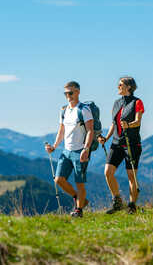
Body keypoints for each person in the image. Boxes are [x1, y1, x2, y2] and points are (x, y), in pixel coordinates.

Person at [45, 81, 94, 218]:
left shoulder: (84, 109)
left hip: (80, 151)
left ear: (78, 92)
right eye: (66, 93)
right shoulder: (63, 110)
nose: (68, 95)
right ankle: (80, 200)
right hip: (66, 151)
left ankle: (79, 210)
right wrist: (54, 146)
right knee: (59, 180)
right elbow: (61, 131)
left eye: (70, 93)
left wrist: (86, 148)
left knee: (80, 183)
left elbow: (90, 130)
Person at [98, 76, 144, 214]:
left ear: (128, 87)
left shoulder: (137, 102)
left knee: (131, 176)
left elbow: (138, 121)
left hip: (131, 143)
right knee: (108, 172)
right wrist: (106, 138)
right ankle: (117, 201)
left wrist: (128, 125)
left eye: (120, 85)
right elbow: (114, 124)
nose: (118, 87)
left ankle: (131, 206)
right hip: (116, 143)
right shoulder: (117, 103)